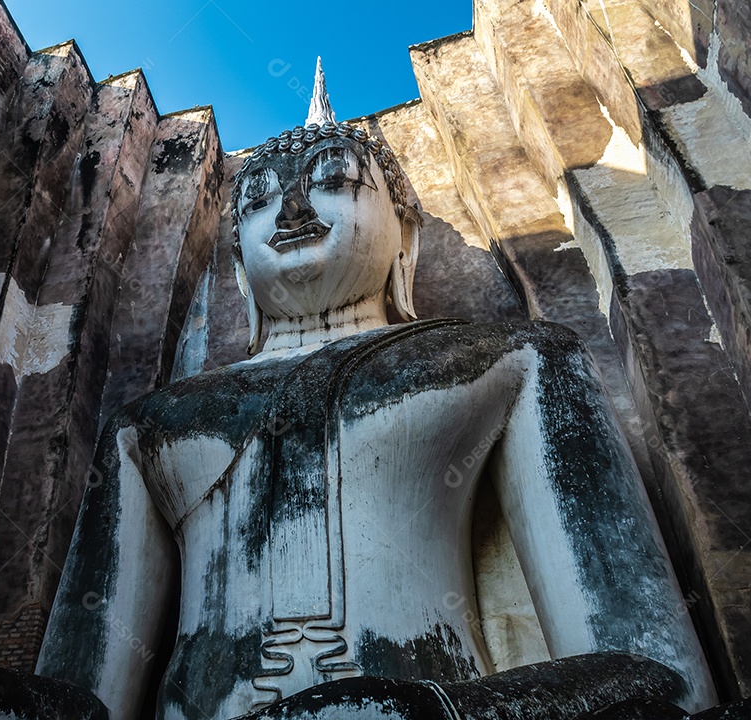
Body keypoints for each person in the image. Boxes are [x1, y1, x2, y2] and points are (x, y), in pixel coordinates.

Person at [35, 61, 715, 720]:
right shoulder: (149, 427)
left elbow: (652, 676)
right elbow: (74, 699)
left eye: (332, 180)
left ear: (405, 240)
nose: (293, 210)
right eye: (262, 198)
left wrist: (429, 708)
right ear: (238, 268)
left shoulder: (511, 362)